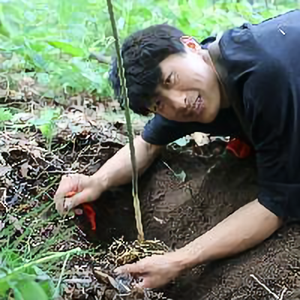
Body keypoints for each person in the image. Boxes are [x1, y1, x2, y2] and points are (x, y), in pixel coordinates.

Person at [54, 9, 300, 289]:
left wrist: (179, 260)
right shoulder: (203, 83)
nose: (178, 103)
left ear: (192, 46)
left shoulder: (263, 76)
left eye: (170, 80)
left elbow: (274, 207)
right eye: (159, 104)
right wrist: (98, 180)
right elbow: (147, 144)